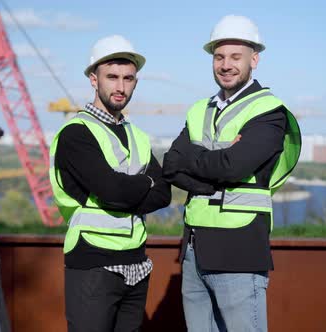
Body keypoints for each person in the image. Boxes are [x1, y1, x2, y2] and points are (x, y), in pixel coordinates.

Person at [162, 15, 301, 331]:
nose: (226, 64)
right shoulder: (199, 109)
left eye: (235, 57)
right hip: (194, 248)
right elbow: (171, 165)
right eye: (219, 57)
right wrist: (217, 166)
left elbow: (233, 166)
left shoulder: (268, 111)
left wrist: (197, 158)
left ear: (255, 59)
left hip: (239, 249)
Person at [49, 35, 171, 332]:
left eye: (128, 78)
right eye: (112, 77)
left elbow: (164, 193)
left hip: (136, 264)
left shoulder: (138, 137)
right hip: (93, 263)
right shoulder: (76, 134)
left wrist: (125, 189)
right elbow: (112, 192)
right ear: (94, 79)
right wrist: (144, 182)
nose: (120, 87)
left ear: (135, 83)